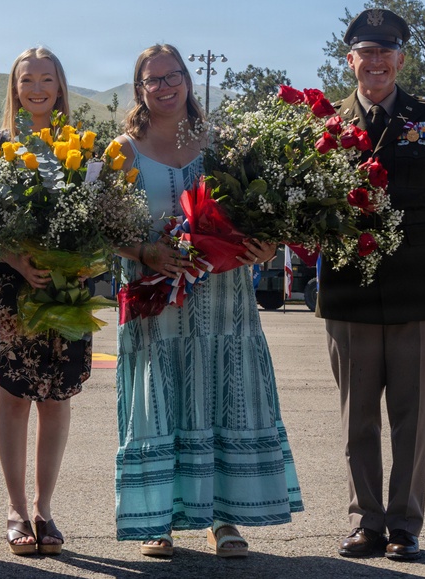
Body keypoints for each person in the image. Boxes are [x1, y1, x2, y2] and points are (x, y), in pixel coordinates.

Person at [114, 45, 303, 559]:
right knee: (162, 402)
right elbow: (102, 227)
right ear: (139, 89)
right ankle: (158, 521)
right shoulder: (120, 151)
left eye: (173, 76)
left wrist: (266, 244)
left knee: (223, 397)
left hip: (225, 303)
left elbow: (259, 209)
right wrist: (145, 251)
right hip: (158, 303)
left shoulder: (223, 143)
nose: (164, 86)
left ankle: (224, 519)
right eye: (152, 80)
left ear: (188, 81)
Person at [320, 9, 425, 562]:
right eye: (367, 51)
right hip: (348, 287)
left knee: (412, 416)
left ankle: (405, 525)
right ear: (351, 61)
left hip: (419, 287)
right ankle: (366, 521)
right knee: (356, 416)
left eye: (387, 51)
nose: (377, 61)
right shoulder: (325, 124)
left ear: (401, 59)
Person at [0, 47, 84, 556]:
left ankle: (45, 508)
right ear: (15, 89)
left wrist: (78, 261)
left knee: (55, 399)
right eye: (27, 80)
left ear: (59, 86)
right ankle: (17, 509)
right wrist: (18, 260)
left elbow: (100, 220)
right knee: (15, 398)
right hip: (12, 287)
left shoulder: (82, 146)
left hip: (64, 287)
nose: (37, 88)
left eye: (46, 79)